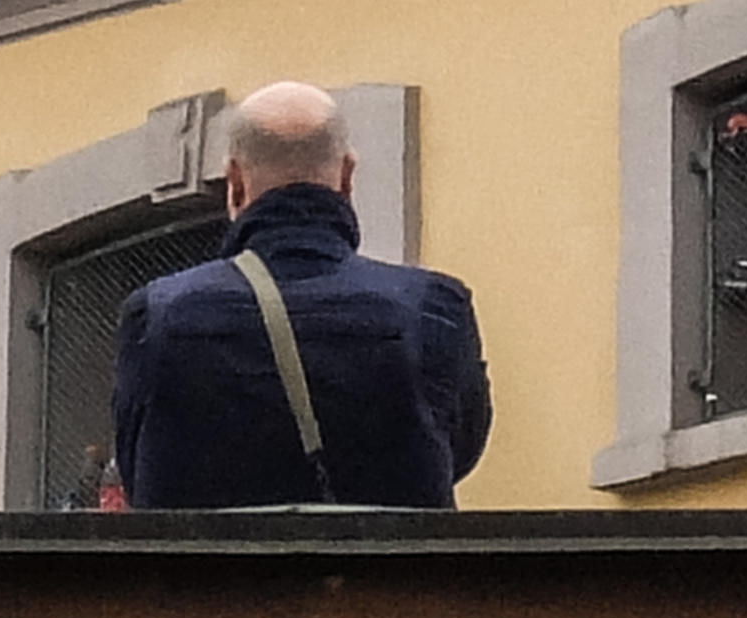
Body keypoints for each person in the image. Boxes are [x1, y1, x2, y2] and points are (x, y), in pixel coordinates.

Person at [111, 81, 491, 509]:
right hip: (385, 576)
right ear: (346, 177)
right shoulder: (435, 308)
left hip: (209, 577)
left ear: (235, 183)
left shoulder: (157, 315)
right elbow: (458, 449)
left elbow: (134, 462)